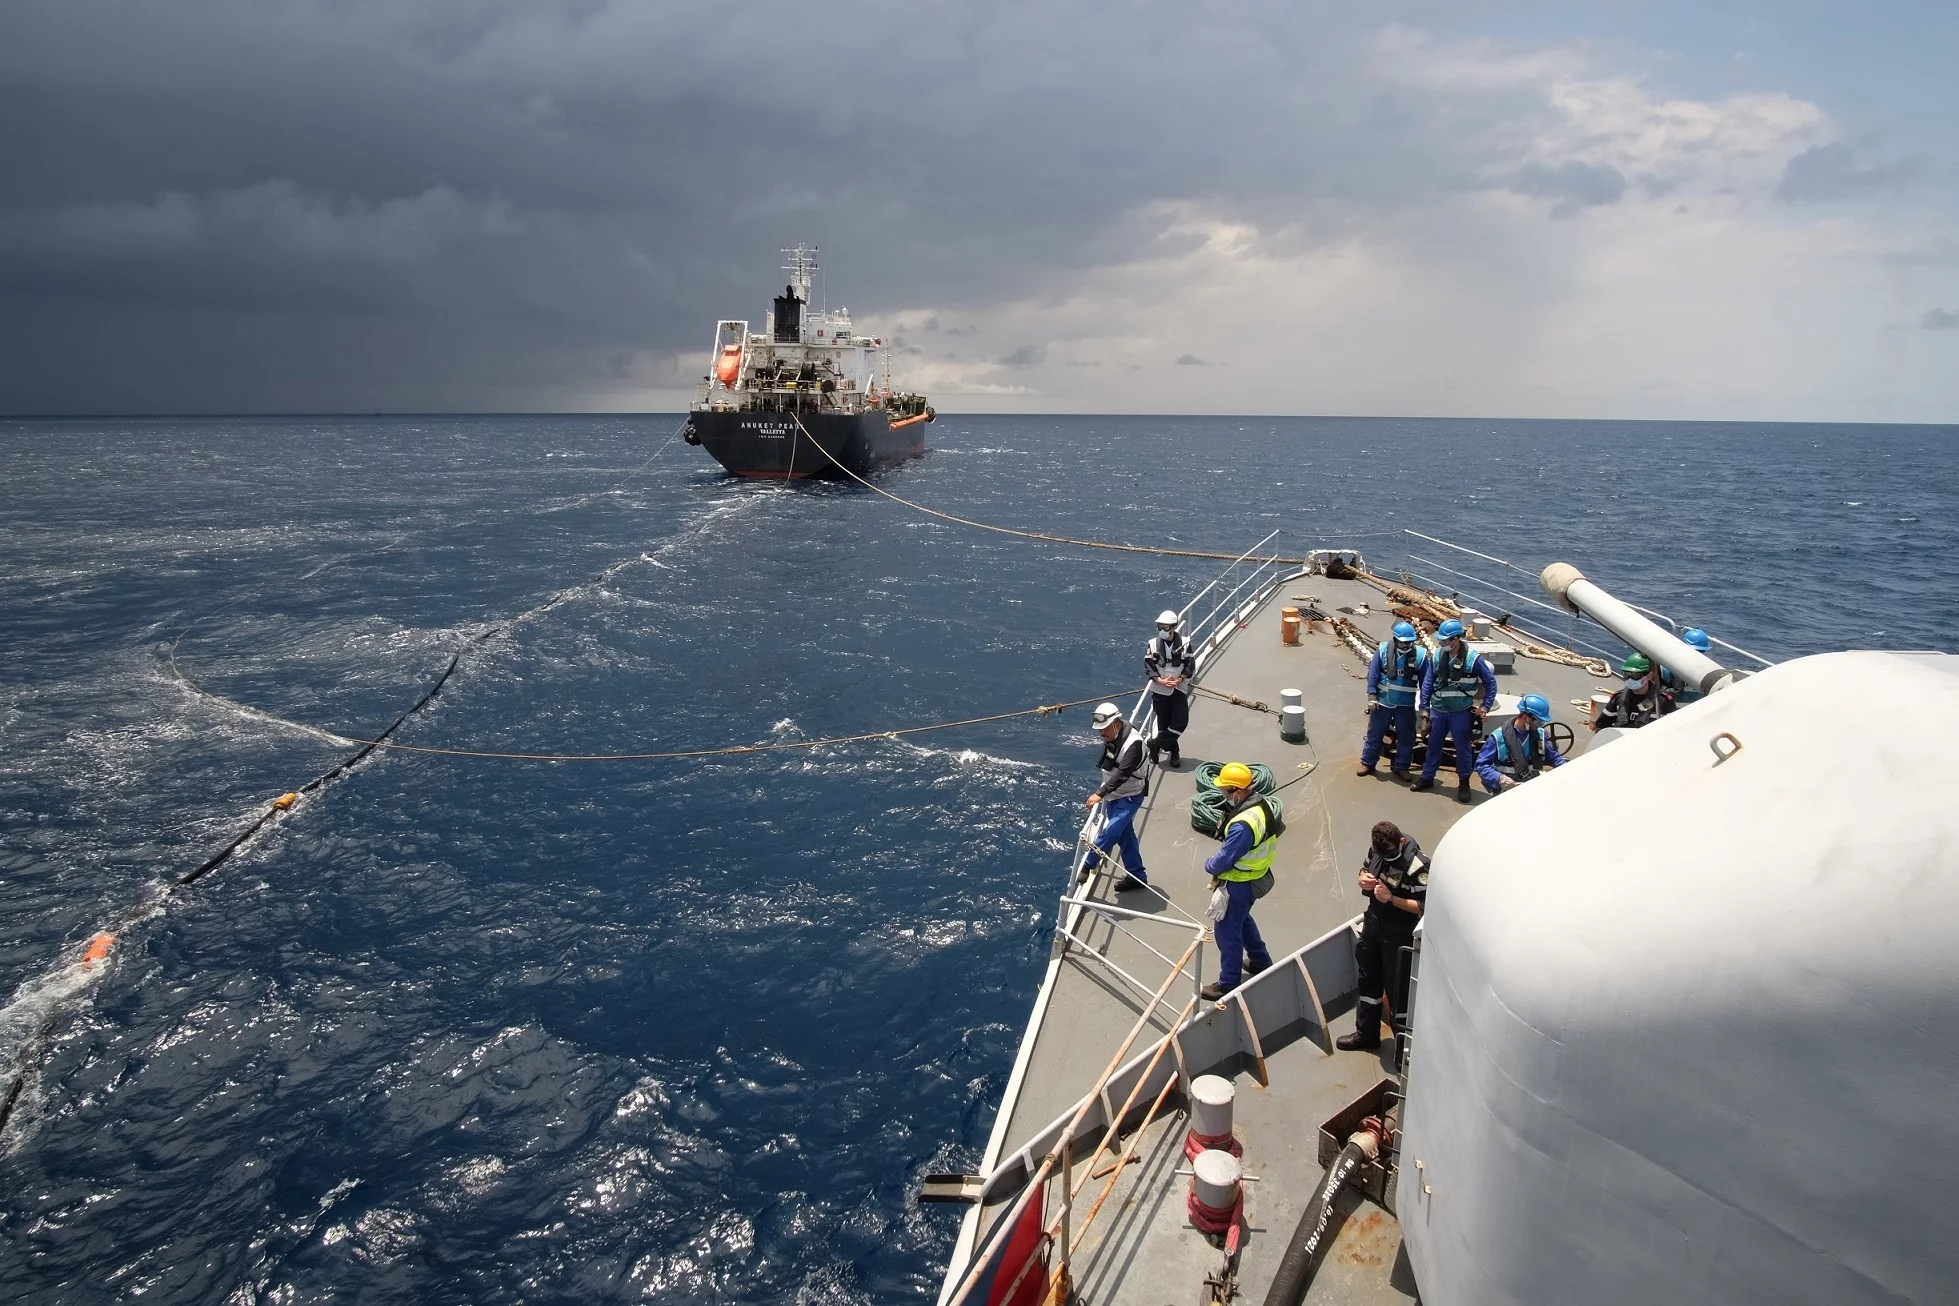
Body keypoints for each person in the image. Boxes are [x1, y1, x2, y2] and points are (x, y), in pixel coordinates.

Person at [1336, 821, 1427, 1052]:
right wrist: (1361, 879)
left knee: (1399, 991)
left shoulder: (1418, 867)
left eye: (1390, 854)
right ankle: (1366, 1035)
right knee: (1368, 980)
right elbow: (1365, 868)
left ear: (1402, 842)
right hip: (1374, 925)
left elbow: (1424, 906)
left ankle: (1403, 1047)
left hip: (1399, 933)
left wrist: (1392, 899)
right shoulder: (1376, 851)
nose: (1385, 859)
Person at [1200, 762, 1278, 1001]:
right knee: (1243, 920)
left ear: (1239, 791)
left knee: (1226, 931)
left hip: (1240, 881)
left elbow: (1225, 859)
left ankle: (1228, 983)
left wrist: (1209, 865)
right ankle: (1260, 961)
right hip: (1256, 876)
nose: (1224, 794)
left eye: (1226, 790)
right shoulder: (1260, 805)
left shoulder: (1243, 825)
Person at [1412, 619, 1497, 804]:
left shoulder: (1474, 659)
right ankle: (1427, 777)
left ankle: (1464, 782)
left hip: (1461, 712)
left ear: (1456, 639)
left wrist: (1485, 707)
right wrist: (1424, 708)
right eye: (1441, 641)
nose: (1442, 644)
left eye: (1445, 641)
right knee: (1433, 745)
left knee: (1463, 748)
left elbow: (1490, 683)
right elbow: (1428, 683)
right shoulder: (1437, 656)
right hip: (1439, 710)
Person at [1085, 701, 1151, 892]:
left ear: (1115, 723)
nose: (1101, 734)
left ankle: (1088, 864)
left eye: (1104, 729)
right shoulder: (1114, 736)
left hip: (1129, 796)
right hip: (1114, 795)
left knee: (1112, 831)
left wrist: (1099, 794)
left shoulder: (1133, 745)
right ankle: (1138, 876)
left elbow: (1122, 774)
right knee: (1125, 837)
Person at [1359, 621, 1428, 779]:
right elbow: (1374, 674)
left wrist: (1425, 708)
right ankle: (1368, 763)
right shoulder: (1382, 650)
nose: (1405, 645)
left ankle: (1402, 766)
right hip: (1383, 702)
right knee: (1375, 733)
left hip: (1406, 704)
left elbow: (1426, 683)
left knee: (1406, 736)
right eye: (1403, 642)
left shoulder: (1421, 656)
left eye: (1409, 642)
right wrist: (1372, 696)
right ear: (1395, 640)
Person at [1474, 694, 1567, 794]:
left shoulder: (1539, 735)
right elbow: (1481, 765)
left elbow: (1554, 758)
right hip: (1504, 792)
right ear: (1526, 717)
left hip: (1532, 790)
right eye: (1538, 721)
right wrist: (1499, 778)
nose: (1540, 725)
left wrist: (1569, 769)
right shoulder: (1498, 737)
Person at [1144, 609, 1196, 767]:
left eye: (1165, 628)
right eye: (1159, 627)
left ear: (1173, 627)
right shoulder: (1152, 644)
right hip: (1160, 689)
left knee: (1180, 721)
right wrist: (1160, 681)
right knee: (1163, 724)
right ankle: (1174, 753)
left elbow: (1190, 665)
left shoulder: (1185, 644)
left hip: (1178, 689)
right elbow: (1149, 666)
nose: (1161, 631)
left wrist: (1180, 679)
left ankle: (1156, 744)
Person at [1593, 654, 1675, 731]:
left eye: (1635, 675)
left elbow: (1672, 730)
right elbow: (1601, 726)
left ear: (1649, 676)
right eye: (1626, 675)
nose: (1630, 679)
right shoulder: (1618, 698)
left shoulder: (1663, 701)